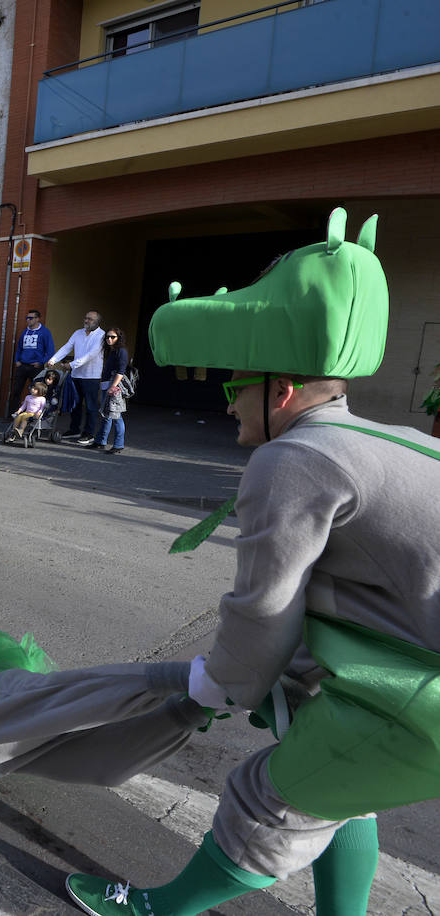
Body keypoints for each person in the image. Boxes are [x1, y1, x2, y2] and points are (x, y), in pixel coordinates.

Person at [65, 209, 440, 916]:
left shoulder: (293, 458)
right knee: (340, 792)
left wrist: (221, 687)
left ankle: (152, 912)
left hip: (426, 701)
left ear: (282, 392)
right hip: (418, 685)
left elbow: (265, 606)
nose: (227, 398)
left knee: (270, 799)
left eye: (237, 383)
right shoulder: (388, 439)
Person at [48, 310, 105, 445]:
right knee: (75, 404)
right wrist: (53, 360)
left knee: (90, 406)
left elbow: (91, 355)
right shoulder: (78, 333)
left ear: (97, 322)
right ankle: (74, 430)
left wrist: (72, 364)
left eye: (90, 319)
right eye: (86, 318)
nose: (86, 321)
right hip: (76, 375)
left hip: (91, 376)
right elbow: (67, 347)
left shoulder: (101, 336)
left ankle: (89, 433)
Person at [88, 327, 130, 455]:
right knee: (106, 414)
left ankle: (118, 445)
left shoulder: (121, 351)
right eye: (107, 337)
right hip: (107, 385)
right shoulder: (112, 351)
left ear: (119, 338)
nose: (109, 339)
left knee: (116, 416)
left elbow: (121, 371)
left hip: (114, 386)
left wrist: (113, 386)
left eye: (112, 337)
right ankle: (101, 441)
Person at [9, 308, 55, 414]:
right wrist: (17, 360)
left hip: (35, 367)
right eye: (27, 318)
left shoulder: (45, 332)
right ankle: (14, 414)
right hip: (22, 366)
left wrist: (41, 362)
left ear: (38, 319)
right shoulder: (25, 331)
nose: (28, 320)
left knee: (37, 391)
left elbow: (50, 351)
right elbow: (19, 347)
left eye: (31, 318)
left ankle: (35, 416)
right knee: (16, 390)